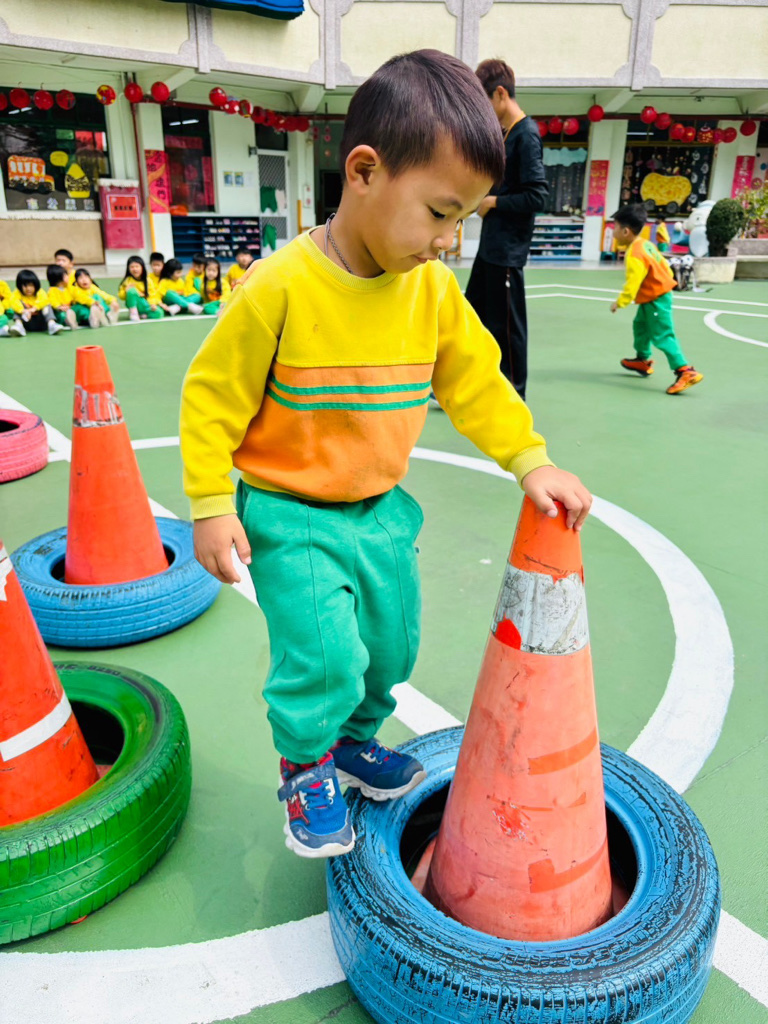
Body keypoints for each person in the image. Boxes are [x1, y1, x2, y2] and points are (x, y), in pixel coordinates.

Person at [180, 49, 591, 860]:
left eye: (462, 221)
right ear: (364, 172)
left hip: (381, 513)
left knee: (393, 645)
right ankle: (305, 765)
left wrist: (530, 458)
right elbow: (212, 396)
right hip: (292, 514)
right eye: (439, 213)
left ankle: (354, 740)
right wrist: (210, 502)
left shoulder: (430, 291)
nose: (448, 241)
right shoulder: (280, 287)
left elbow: (477, 382)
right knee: (324, 656)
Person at [464, 59, 548, 401]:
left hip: (508, 252)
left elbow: (537, 195)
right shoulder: (506, 134)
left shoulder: (526, 135)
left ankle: (514, 396)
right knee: (471, 317)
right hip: (490, 248)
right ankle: (468, 383)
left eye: (485, 102)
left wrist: (493, 202)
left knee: (508, 329)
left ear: (500, 94)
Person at [610, 204, 703, 395]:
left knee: (662, 335)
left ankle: (685, 371)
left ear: (626, 231)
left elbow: (633, 282)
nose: (613, 231)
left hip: (656, 299)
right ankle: (642, 360)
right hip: (651, 297)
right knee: (641, 327)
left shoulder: (635, 253)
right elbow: (665, 266)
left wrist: (620, 302)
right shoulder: (646, 244)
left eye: (615, 227)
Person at [5, 269, 64, 336]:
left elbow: (44, 300)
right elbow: (13, 302)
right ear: (20, 286)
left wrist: (34, 309)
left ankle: (52, 325)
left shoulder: (40, 292)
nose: (28, 289)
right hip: (26, 323)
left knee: (46, 305)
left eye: (31, 285)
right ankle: (19, 326)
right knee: (16, 310)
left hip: (42, 323)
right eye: (25, 286)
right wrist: (23, 311)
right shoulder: (16, 293)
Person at [119, 255, 164, 321]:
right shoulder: (127, 281)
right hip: (134, 304)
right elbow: (121, 296)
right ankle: (133, 312)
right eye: (132, 267)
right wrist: (126, 291)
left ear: (142, 267)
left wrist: (152, 304)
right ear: (128, 269)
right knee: (132, 291)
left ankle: (142, 315)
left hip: (145, 304)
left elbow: (152, 294)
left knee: (159, 313)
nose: (135, 269)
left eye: (137, 266)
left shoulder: (148, 280)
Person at [46, 264, 79, 330]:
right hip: (61, 311)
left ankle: (74, 319)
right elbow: (52, 301)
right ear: (60, 278)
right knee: (62, 315)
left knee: (79, 308)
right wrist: (59, 307)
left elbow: (76, 296)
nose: (68, 277)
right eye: (66, 275)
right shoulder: (52, 290)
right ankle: (69, 322)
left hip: (70, 308)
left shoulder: (69, 288)